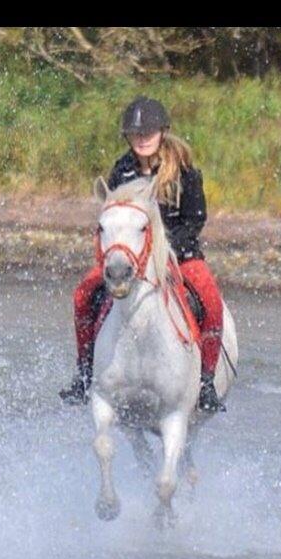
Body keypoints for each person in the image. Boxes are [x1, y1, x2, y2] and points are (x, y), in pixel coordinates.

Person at [59, 96, 224, 411]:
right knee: (83, 294)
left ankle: (206, 382)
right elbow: (113, 215)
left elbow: (195, 219)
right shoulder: (121, 171)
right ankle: (84, 375)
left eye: (149, 132)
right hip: (131, 257)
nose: (143, 139)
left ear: (163, 132)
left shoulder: (186, 172)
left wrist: (164, 248)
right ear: (127, 137)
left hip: (180, 255)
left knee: (211, 300)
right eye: (136, 134)